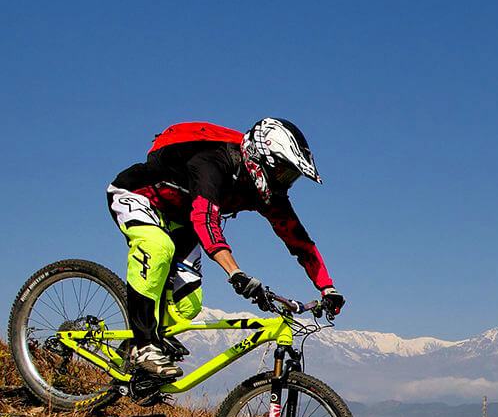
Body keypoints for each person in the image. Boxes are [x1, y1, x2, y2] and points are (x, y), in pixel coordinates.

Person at [106, 118, 344, 378]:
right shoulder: (214, 164)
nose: (285, 182)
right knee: (157, 246)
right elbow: (205, 220)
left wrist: (327, 287)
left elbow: (299, 241)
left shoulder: (264, 193)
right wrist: (235, 272)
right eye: (283, 173)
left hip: (179, 219)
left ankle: (134, 350)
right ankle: (144, 346)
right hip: (138, 195)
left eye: (291, 177)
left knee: (188, 305)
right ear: (260, 159)